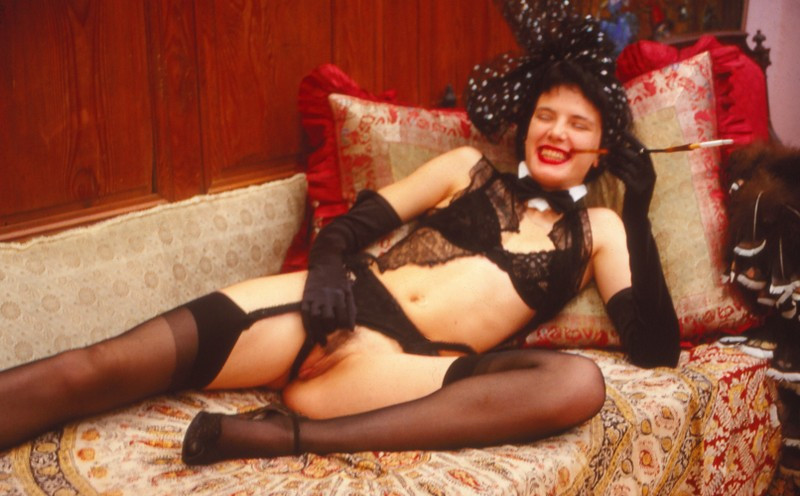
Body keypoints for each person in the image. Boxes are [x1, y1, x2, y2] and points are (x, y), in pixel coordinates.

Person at [0, 0, 680, 465]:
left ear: (602, 147)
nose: (556, 132)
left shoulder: (599, 230)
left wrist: (640, 209)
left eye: (579, 124)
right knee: (105, 364)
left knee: (577, 384)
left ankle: (284, 438)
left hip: (405, 370)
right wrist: (326, 273)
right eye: (545, 116)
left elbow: (654, 349)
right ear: (526, 123)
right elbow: (351, 226)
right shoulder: (466, 168)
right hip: (333, 302)